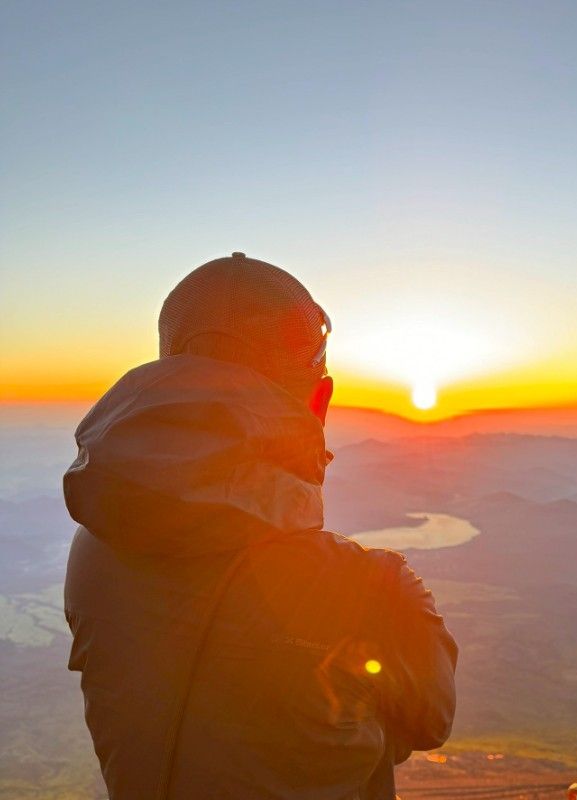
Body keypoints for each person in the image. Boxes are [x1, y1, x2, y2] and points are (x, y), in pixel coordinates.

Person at [63, 252, 457, 800]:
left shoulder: (95, 545)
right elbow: (430, 722)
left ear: (169, 374)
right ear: (320, 400)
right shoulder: (372, 590)